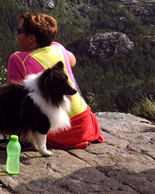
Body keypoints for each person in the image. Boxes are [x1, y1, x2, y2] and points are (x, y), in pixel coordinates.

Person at [6, 13, 103, 149]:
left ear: (32, 38)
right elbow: (72, 60)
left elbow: (11, 100)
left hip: (56, 132)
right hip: (83, 126)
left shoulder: (17, 60)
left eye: (20, 30)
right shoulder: (59, 48)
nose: (16, 33)